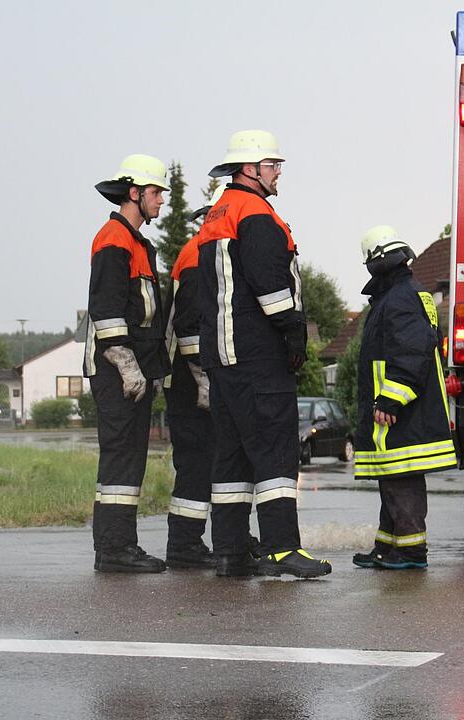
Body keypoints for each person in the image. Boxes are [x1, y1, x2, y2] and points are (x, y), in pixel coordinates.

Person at [196, 129, 330, 578]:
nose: (278, 174)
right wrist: (294, 332)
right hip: (258, 359)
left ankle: (231, 552)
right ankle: (280, 549)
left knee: (231, 458)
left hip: (223, 360)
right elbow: (271, 287)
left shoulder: (217, 216)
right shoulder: (255, 214)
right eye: (273, 165)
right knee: (275, 452)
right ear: (249, 170)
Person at [351, 226, 457, 570]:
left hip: (401, 407)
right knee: (392, 476)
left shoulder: (399, 297)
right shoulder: (406, 293)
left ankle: (410, 552)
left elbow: (411, 352)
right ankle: (387, 546)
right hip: (404, 405)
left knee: (402, 478)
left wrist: (391, 399)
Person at [84, 154, 171, 573]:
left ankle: (120, 545)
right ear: (133, 193)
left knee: (129, 455)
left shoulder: (138, 243)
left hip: (133, 369)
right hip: (115, 370)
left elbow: (146, 316)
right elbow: (106, 310)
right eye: (155, 193)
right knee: (120, 455)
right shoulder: (113, 240)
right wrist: (126, 364)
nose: (161, 201)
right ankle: (114, 549)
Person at [159, 186, 225, 568]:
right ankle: (184, 545)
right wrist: (205, 383)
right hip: (189, 383)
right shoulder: (200, 256)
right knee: (198, 462)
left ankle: (197, 541)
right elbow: (190, 329)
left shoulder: (201, 252)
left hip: (190, 379)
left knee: (208, 461)